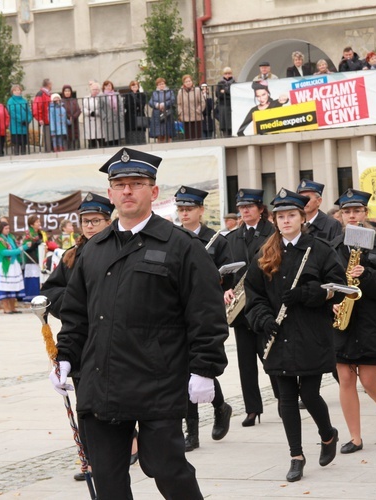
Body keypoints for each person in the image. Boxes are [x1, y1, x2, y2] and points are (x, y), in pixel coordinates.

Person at [51, 147, 228, 499]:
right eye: (120, 184)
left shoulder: (182, 246)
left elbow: (206, 313)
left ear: (154, 191)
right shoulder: (94, 248)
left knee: (167, 469)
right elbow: (76, 314)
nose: (127, 191)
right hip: (101, 384)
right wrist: (66, 355)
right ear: (111, 193)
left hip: (157, 382)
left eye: (136, 183)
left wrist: (205, 368)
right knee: (109, 480)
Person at [244, 188, 344, 482]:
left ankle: (328, 435)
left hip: (311, 333)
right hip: (278, 335)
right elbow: (254, 293)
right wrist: (262, 319)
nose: (286, 220)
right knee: (286, 397)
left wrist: (308, 293)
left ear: (302, 217)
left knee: (310, 393)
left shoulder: (321, 249)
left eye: (291, 215)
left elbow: (338, 287)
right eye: (281, 216)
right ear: (274, 220)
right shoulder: (265, 251)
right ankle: (296, 455)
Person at [42, 192, 116, 482]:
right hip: (79, 339)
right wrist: (74, 306)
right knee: (85, 403)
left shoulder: (116, 250)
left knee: (112, 398)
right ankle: (90, 459)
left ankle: (130, 443)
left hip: (112, 339)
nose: (89, 226)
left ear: (109, 221)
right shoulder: (72, 255)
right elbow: (51, 291)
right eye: (85, 221)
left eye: (96, 220)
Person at [331, 189, 376, 454]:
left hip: (372, 321)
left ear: (365, 214)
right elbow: (320, 283)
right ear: (340, 216)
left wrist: (367, 274)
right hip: (342, 320)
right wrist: (332, 302)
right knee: (346, 377)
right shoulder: (331, 248)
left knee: (369, 380)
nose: (352, 216)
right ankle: (355, 437)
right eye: (347, 211)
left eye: (357, 211)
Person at [174, 186, 234, 451]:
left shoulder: (216, 240)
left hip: (206, 309)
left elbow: (230, 275)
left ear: (200, 210)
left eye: (189, 209)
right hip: (179, 310)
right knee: (184, 370)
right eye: (181, 209)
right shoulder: (173, 237)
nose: (184, 214)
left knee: (198, 366)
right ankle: (193, 431)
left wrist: (219, 280)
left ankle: (220, 407)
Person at [224, 188, 280, 426]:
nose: (245, 211)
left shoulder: (272, 233)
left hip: (264, 305)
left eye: (249, 207)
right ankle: (252, 409)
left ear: (260, 209)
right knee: (246, 363)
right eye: (241, 207)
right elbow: (226, 270)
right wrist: (225, 290)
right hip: (240, 310)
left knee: (270, 357)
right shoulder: (231, 237)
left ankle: (283, 397)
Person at [0, 221, 25, 314]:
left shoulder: (11, 238)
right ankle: (6, 308)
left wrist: (20, 249)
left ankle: (13, 307)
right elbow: (3, 252)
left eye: (8, 228)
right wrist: (19, 250)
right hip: (3, 265)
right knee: (5, 287)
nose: (8, 230)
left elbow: (15, 248)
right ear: (1, 229)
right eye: (6, 228)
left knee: (12, 286)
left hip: (13, 264)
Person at [22, 215, 48, 302]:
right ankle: (31, 297)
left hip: (41, 258)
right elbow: (26, 248)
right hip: (32, 259)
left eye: (39, 222)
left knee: (40, 278)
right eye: (37, 222)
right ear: (31, 225)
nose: (39, 223)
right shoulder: (28, 234)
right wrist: (35, 244)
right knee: (33, 279)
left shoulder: (41, 233)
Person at [6, 84, 32, 156]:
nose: (17, 91)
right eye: (15, 90)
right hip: (15, 125)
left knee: (24, 142)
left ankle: (24, 154)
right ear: (12, 91)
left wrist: (28, 119)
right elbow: (12, 112)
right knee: (16, 142)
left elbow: (29, 112)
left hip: (24, 125)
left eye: (18, 90)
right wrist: (21, 120)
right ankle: (16, 155)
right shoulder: (11, 101)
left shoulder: (24, 100)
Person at [177, 75, 205, 140]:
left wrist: (198, 111)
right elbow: (179, 104)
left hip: (196, 117)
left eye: (189, 81)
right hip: (186, 117)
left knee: (197, 136)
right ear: (184, 83)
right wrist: (180, 112)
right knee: (188, 137)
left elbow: (202, 102)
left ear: (192, 82)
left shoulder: (197, 90)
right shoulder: (180, 92)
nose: (188, 83)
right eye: (186, 81)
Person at [149, 77, 176, 143]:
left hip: (167, 115)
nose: (161, 85)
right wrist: (157, 105)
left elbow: (172, 100)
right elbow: (150, 102)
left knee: (168, 134)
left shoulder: (170, 92)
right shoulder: (154, 93)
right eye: (160, 84)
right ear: (157, 85)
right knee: (159, 134)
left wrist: (164, 104)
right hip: (157, 115)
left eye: (163, 84)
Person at [123, 80, 147, 145]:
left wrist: (136, 101)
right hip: (130, 116)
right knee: (131, 132)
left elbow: (142, 104)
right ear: (130, 87)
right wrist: (136, 106)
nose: (135, 87)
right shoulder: (127, 95)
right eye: (133, 85)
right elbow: (127, 105)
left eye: (136, 86)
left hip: (139, 115)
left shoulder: (142, 95)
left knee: (140, 132)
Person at [32, 78, 53, 152]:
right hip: (46, 120)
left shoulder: (48, 94)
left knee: (51, 138)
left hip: (49, 120)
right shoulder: (41, 94)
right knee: (47, 138)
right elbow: (37, 107)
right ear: (48, 85)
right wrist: (40, 118)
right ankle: (48, 152)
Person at [83, 81, 106, 149]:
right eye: (94, 89)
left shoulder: (102, 98)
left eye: (97, 89)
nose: (95, 91)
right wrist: (90, 113)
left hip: (99, 121)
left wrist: (95, 112)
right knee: (91, 141)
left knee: (101, 140)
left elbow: (103, 108)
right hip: (90, 121)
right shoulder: (86, 98)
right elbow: (83, 108)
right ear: (90, 90)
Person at [101, 80, 124, 147]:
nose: (108, 87)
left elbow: (121, 105)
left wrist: (121, 114)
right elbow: (100, 108)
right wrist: (104, 116)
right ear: (104, 87)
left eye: (109, 85)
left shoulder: (116, 94)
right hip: (108, 118)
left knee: (117, 136)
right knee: (110, 137)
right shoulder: (102, 96)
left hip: (117, 117)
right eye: (106, 85)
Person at [61, 85, 82, 150]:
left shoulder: (74, 100)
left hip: (74, 122)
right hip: (65, 122)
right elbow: (62, 111)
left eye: (68, 91)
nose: (67, 92)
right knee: (66, 137)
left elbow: (78, 110)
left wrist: (73, 117)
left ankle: (76, 148)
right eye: (65, 91)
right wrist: (68, 117)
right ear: (63, 92)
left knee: (74, 137)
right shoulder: (61, 101)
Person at [216, 67, 235, 137]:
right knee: (225, 126)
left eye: (229, 73)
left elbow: (234, 93)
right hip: (223, 106)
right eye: (226, 74)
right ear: (223, 75)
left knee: (231, 125)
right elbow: (218, 94)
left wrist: (225, 91)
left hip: (231, 106)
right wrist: (227, 93)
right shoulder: (220, 83)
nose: (227, 75)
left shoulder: (234, 82)